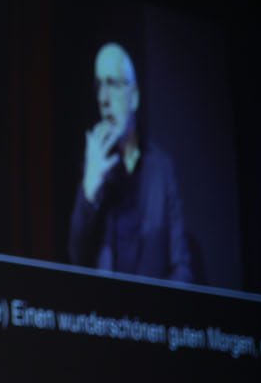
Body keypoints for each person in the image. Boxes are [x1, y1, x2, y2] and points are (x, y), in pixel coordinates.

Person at [67, 41, 193, 282]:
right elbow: (77, 256)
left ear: (133, 96)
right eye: (99, 86)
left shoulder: (161, 167)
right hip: (105, 306)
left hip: (153, 305)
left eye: (112, 84)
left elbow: (181, 264)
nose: (103, 98)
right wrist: (89, 190)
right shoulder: (96, 163)